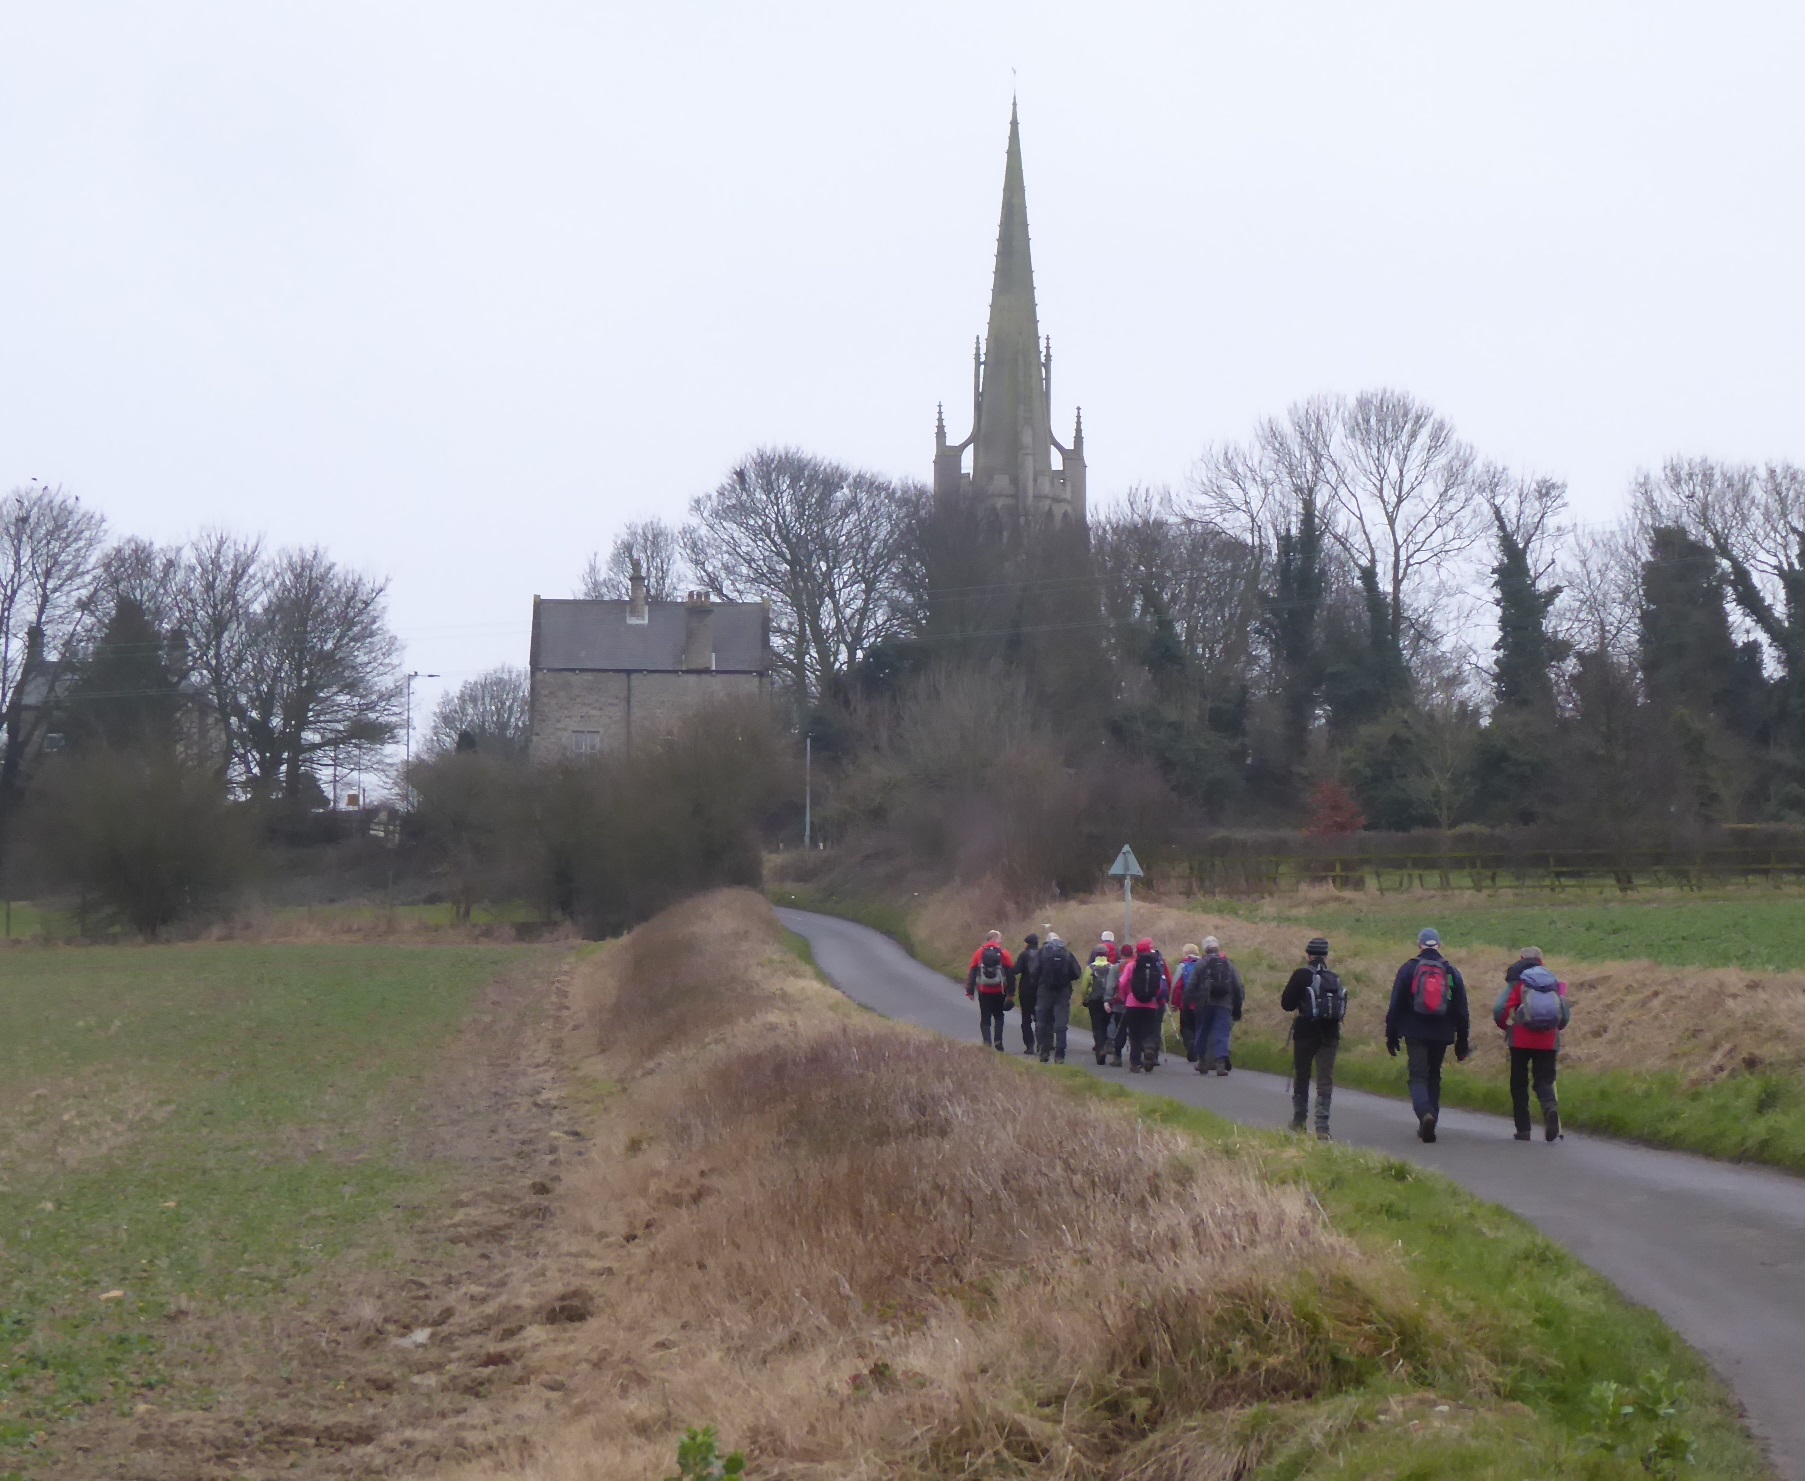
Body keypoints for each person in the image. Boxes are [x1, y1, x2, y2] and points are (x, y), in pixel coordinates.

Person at [1385, 927, 1470, 1142]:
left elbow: (1395, 1005)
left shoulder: (1409, 969)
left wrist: (1391, 1034)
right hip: (1442, 1033)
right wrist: (1462, 1041)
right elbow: (1461, 1010)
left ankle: (1425, 1115)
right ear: (1440, 946)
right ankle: (1431, 1120)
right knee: (1434, 1077)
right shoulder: (1451, 972)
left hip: (1414, 1032)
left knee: (1418, 1077)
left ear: (1419, 945)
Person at [1494, 946, 1569, 1142]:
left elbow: (1500, 1008)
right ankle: (1549, 1108)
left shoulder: (1519, 981)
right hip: (1548, 1039)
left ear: (1521, 959)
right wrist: (1557, 1028)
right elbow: (1564, 1011)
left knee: (1519, 1083)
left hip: (1520, 1039)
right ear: (1541, 960)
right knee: (1544, 1080)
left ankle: (1523, 1129)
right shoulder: (1552, 980)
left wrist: (1505, 1025)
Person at [1281, 937, 1345, 1140]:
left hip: (1305, 1031)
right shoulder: (1333, 977)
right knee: (1325, 1079)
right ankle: (1322, 1126)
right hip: (1330, 1032)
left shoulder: (1301, 975)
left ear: (1308, 954)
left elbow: (1287, 1004)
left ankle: (1299, 1120)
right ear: (1325, 955)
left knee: (1302, 1075)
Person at [1188, 936, 1244, 1076]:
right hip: (1224, 1004)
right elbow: (1238, 986)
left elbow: (1191, 985)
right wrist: (1237, 1004)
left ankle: (1202, 1062)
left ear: (1205, 949)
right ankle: (1220, 1064)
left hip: (1205, 1004)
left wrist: (1188, 1001)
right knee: (1222, 1034)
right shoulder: (1228, 964)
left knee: (1202, 1031)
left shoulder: (1201, 964)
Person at [1120, 937, 1171, 1072]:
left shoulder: (1132, 965)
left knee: (1134, 1033)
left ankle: (1135, 1062)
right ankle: (1149, 1048)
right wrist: (1155, 996)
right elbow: (1161, 985)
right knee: (1148, 1031)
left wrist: (1126, 996)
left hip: (1132, 1003)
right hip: (1151, 1004)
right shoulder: (1156, 965)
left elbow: (1122, 983)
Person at [964, 930, 1016, 1051]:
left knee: (985, 1017)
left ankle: (987, 1044)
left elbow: (972, 972)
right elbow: (1010, 975)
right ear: (995, 939)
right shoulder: (1004, 954)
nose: (1001, 941)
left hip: (984, 990)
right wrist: (1011, 993)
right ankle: (998, 1041)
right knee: (999, 1016)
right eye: (1000, 938)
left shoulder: (979, 953)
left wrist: (970, 991)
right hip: (999, 990)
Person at [1033, 931, 1081, 1064]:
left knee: (1043, 1021)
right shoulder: (1066, 953)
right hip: (1063, 992)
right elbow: (1077, 973)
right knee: (1061, 1023)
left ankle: (1044, 1050)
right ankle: (1060, 1054)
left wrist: (1040, 981)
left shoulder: (1042, 952)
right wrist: (1065, 980)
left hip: (1045, 991)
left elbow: (1034, 970)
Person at [1081, 945, 1117, 1065]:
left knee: (1097, 1026)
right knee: (1106, 1024)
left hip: (1094, 1000)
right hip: (1108, 1000)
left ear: (1095, 955)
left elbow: (1085, 985)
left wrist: (1085, 998)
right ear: (1107, 955)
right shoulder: (1111, 967)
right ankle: (1105, 1044)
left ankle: (1100, 1048)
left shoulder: (1090, 968)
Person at [1015, 932, 1043, 1055]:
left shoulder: (1023, 955)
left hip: (1025, 990)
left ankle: (1029, 1045)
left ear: (1027, 943)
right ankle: (1041, 1043)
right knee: (1040, 1018)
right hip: (1040, 990)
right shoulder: (1043, 954)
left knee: (1026, 1018)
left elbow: (1015, 970)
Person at [1174, 944, 1202, 1062]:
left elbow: (1177, 986)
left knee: (1186, 1028)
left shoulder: (1183, 966)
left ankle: (1191, 1048)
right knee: (1198, 1027)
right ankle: (1199, 1049)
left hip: (1185, 1003)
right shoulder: (1204, 964)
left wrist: (1174, 1002)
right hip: (1201, 1003)